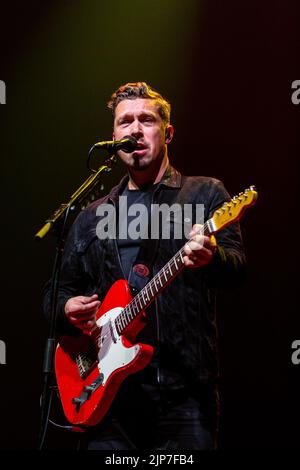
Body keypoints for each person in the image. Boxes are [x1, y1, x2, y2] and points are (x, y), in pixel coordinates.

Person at [43, 82, 246, 450]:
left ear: (167, 133)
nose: (134, 129)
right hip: (107, 394)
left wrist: (211, 257)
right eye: (125, 122)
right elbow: (57, 290)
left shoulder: (203, 194)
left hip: (183, 393)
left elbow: (238, 269)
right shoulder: (92, 215)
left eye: (146, 120)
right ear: (114, 135)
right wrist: (65, 308)